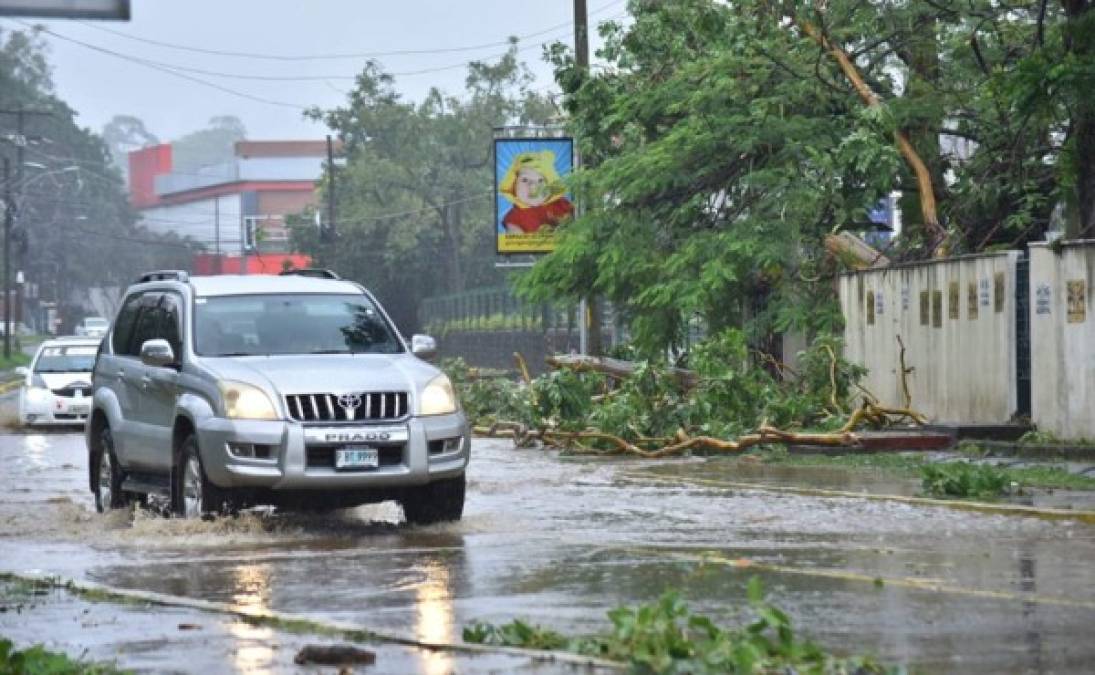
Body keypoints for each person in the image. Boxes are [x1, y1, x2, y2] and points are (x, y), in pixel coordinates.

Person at [498, 150, 574, 234]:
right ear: (513, 185)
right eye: (525, 180)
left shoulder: (561, 205)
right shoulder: (514, 217)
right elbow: (515, 243)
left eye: (540, 180)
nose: (533, 186)